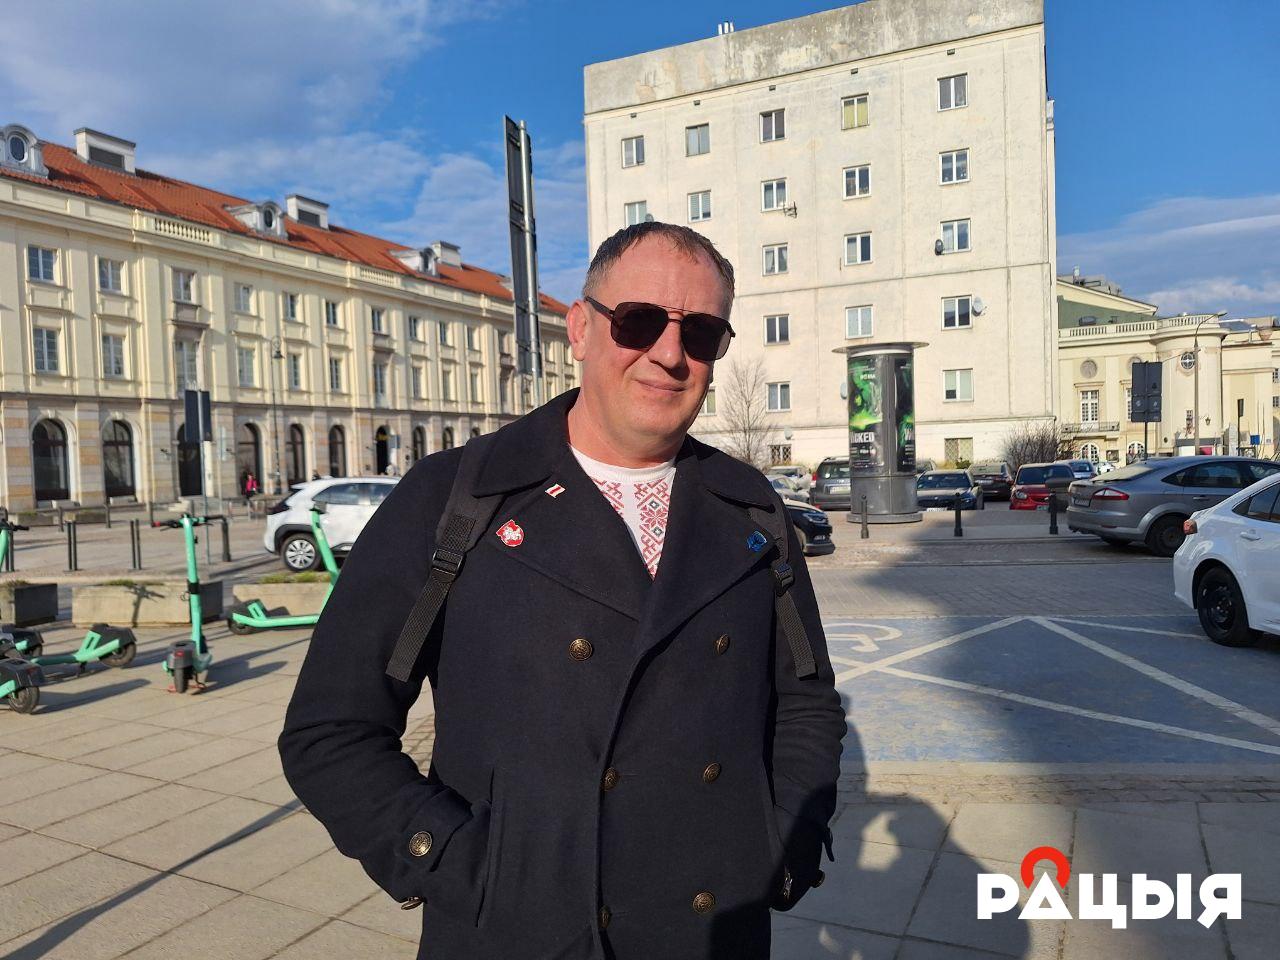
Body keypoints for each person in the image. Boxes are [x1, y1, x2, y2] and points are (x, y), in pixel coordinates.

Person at [279, 222, 845, 960]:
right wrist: (458, 863)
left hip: (711, 927)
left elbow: (806, 700)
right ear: (580, 328)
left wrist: (785, 841)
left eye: (701, 333)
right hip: (520, 931)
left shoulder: (750, 507)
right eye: (638, 321)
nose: (669, 354)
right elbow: (331, 730)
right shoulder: (457, 497)